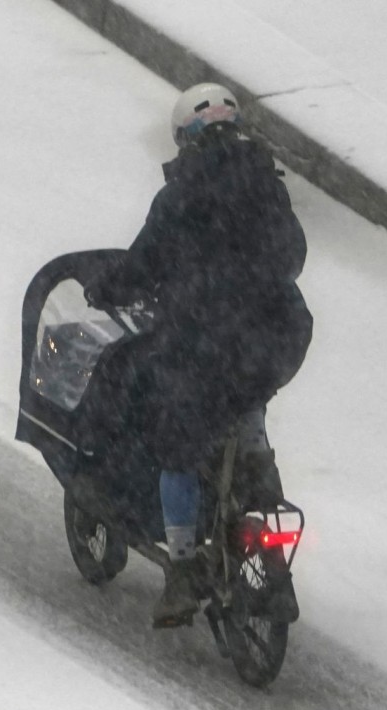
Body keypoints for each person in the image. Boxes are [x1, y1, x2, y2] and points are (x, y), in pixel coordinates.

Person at [83, 82, 313, 628]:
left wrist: (108, 288)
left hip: (205, 341)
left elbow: (143, 264)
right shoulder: (267, 185)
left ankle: (182, 571)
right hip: (277, 336)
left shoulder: (181, 194)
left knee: (178, 445)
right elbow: (294, 255)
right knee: (247, 398)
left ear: (186, 139)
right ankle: (261, 495)